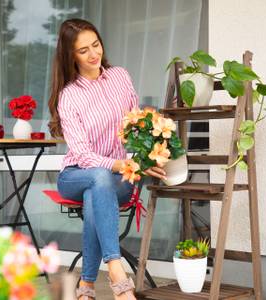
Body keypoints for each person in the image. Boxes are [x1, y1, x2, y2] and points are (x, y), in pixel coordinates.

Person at [48, 19, 166, 300]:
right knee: (97, 178)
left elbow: (135, 126)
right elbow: (84, 155)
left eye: (96, 45)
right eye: (83, 50)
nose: (93, 54)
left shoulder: (120, 76)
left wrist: (148, 156)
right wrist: (122, 165)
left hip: (117, 179)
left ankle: (86, 285)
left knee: (96, 193)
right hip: (75, 175)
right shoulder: (69, 96)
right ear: (70, 55)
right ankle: (116, 269)